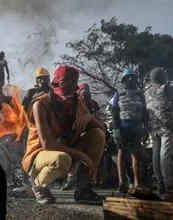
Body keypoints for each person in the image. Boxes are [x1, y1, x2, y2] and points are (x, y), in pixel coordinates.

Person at [22, 65, 106, 204]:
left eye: (72, 83)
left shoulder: (77, 102)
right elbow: (47, 144)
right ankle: (38, 185)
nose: (67, 88)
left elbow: (102, 130)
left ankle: (83, 190)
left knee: (97, 134)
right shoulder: (40, 104)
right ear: (55, 84)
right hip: (39, 155)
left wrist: (88, 117)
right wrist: (83, 156)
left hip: (66, 148)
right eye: (63, 83)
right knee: (63, 159)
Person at [145, 67, 173, 193]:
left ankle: (160, 184)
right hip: (167, 125)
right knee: (165, 154)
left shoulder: (146, 91)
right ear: (161, 76)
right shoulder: (166, 88)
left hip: (154, 126)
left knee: (156, 155)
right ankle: (168, 182)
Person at [112, 69, 149, 193]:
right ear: (123, 81)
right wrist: (116, 131)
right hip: (122, 127)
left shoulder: (140, 95)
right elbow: (114, 113)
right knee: (121, 153)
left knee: (135, 154)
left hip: (137, 127)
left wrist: (146, 128)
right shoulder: (118, 94)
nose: (130, 80)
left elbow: (145, 113)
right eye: (127, 78)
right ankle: (122, 183)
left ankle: (136, 183)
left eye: (132, 78)